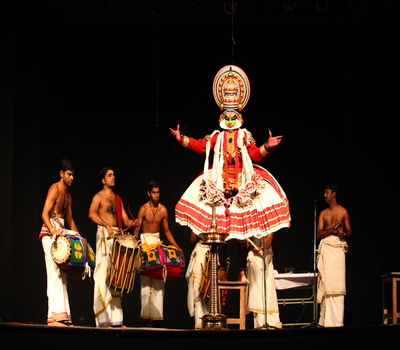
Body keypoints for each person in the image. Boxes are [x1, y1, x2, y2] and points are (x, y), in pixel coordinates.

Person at [169, 65, 291, 283]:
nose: (231, 119)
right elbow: (199, 145)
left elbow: (254, 154)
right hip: (220, 185)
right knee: (221, 232)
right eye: (227, 114)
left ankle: (242, 269)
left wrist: (267, 145)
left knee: (244, 231)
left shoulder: (245, 136)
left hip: (243, 185)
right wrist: (181, 139)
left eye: (234, 114)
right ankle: (221, 269)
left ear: (239, 114)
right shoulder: (217, 137)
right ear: (222, 115)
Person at [88, 166, 138, 328]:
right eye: (110, 175)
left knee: (117, 276)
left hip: (116, 236)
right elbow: (92, 214)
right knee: (103, 274)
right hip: (104, 234)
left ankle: (116, 320)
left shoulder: (117, 198)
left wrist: (133, 222)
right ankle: (103, 320)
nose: (113, 177)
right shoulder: (98, 197)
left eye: (114, 175)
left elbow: (125, 220)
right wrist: (106, 226)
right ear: (103, 180)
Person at [133, 180, 182, 327]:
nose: (156, 195)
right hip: (145, 243)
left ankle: (155, 318)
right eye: (153, 192)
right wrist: (135, 245)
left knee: (159, 281)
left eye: (158, 192)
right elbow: (137, 229)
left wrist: (177, 247)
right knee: (145, 283)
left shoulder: (163, 210)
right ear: (149, 193)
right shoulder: (143, 209)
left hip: (157, 244)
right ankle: (146, 318)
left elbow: (166, 231)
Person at [39, 158, 79, 327]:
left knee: (62, 277)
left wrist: (79, 238)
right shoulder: (54, 189)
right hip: (50, 233)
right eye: (69, 174)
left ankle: (63, 317)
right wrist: (52, 230)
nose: (71, 178)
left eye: (73, 175)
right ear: (61, 173)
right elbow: (44, 214)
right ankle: (52, 319)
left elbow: (69, 219)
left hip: (61, 232)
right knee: (54, 275)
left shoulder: (68, 195)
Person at [316, 184, 352, 327]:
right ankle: (325, 321)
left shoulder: (343, 211)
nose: (324, 195)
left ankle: (336, 322)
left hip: (337, 250)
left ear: (333, 194)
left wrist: (343, 233)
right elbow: (319, 234)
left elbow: (350, 232)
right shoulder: (323, 214)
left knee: (337, 284)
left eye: (326, 192)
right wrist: (331, 230)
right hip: (327, 249)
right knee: (326, 283)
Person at [246, 234, 282, 329]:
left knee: (268, 290)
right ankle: (259, 324)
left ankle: (272, 322)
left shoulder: (268, 222)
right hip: (255, 257)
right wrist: (254, 248)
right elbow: (246, 243)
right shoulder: (251, 221)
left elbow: (270, 236)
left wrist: (265, 248)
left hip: (266, 257)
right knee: (257, 292)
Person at [185, 231, 210, 329]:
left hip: (212, 251)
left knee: (209, 289)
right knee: (197, 288)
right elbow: (191, 240)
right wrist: (195, 229)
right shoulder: (199, 220)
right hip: (200, 250)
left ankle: (209, 322)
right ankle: (199, 323)